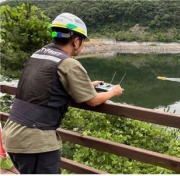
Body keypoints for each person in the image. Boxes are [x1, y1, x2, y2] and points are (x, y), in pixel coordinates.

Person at [2, 12, 124, 174]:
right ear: (76, 41)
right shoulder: (68, 63)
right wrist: (113, 91)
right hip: (34, 140)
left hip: (13, 131)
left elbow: (47, 84)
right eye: (83, 42)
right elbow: (93, 100)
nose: (83, 46)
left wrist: (87, 85)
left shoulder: (39, 54)